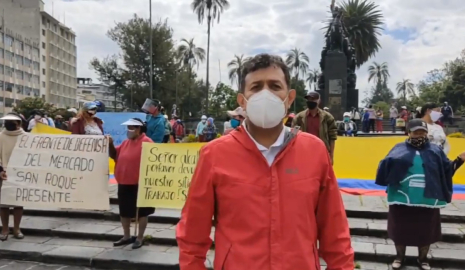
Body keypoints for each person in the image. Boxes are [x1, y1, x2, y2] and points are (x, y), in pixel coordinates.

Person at [176, 53, 354, 270]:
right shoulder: (214, 155)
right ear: (243, 100)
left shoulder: (315, 151)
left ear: (289, 98)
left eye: (275, 86)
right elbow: (192, 233)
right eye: (256, 87)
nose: (265, 93)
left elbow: (335, 231)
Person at [375, 119, 465, 270]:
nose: (419, 135)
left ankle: (423, 259)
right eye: (416, 132)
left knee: (426, 230)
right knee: (400, 229)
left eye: (422, 132)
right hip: (402, 197)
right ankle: (399, 257)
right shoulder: (398, 148)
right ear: (408, 133)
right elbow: (385, 167)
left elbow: (446, 170)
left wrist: (459, 160)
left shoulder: (435, 151)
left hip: (427, 197)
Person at [108, 118, 155, 249]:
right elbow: (114, 155)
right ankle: (126, 236)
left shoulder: (148, 143)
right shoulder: (125, 143)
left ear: (138, 129)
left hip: (140, 184)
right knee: (124, 212)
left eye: (131, 128)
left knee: (142, 213)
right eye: (127, 128)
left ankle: (140, 237)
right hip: (124, 182)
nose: (128, 131)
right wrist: (110, 144)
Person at [0, 113, 26, 241]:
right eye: (7, 121)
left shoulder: (26, 137)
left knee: (18, 203)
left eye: (12, 122)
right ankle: (4, 229)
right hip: (2, 173)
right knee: (3, 204)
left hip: (20, 174)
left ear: (19, 123)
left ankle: (17, 228)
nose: (9, 124)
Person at [292, 91, 338, 162]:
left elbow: (332, 137)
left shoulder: (328, 118)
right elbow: (293, 136)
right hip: (304, 152)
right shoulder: (299, 118)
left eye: (313, 99)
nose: (310, 101)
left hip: (322, 152)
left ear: (318, 101)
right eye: (308, 99)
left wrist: (331, 156)